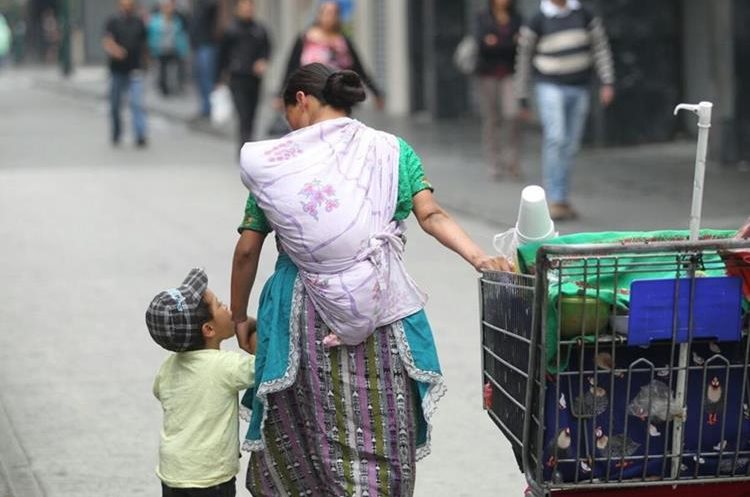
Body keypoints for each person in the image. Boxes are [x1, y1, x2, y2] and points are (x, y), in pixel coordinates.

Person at [230, 63, 511, 496]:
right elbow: (431, 214)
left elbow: (248, 249)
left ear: (301, 101)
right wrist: (479, 257)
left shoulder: (277, 167)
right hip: (379, 305)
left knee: (307, 427)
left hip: (299, 316)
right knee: (377, 420)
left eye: (287, 112)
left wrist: (240, 317)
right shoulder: (391, 150)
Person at [146, 268, 256, 497]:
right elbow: (266, 366)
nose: (226, 307)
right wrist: (253, 326)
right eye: (219, 305)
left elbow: (159, 390)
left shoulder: (168, 368)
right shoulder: (224, 366)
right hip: (210, 480)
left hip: (173, 473)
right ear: (208, 329)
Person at [515, 0, 615, 221]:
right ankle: (554, 198)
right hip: (549, 84)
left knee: (570, 144)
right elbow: (523, 57)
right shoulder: (537, 18)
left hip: (579, 85)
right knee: (556, 137)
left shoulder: (584, 14)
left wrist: (607, 81)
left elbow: (600, 47)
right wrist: (522, 95)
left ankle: (562, 197)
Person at [276, 1, 383, 110]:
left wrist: (376, 92)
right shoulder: (305, 40)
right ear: (319, 14)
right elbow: (291, 67)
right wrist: (280, 94)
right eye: (326, 13)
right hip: (312, 95)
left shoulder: (343, 42)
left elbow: (359, 69)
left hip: (340, 95)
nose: (329, 17)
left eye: (333, 13)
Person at [475, 0, 524, 180]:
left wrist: (496, 43)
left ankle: (512, 162)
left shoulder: (517, 18)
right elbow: (482, 44)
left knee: (512, 116)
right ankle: (494, 164)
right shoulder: (482, 17)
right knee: (492, 120)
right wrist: (506, 42)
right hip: (488, 74)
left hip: (510, 73)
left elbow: (520, 45)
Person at [216, 0, 270, 153]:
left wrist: (263, 61)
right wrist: (219, 78)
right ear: (238, 9)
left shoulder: (259, 29)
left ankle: (249, 144)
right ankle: (244, 146)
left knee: (252, 113)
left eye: (250, 6)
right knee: (243, 113)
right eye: (244, 6)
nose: (247, 9)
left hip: (254, 78)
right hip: (237, 77)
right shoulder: (231, 30)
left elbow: (267, 48)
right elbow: (222, 56)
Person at [102, 0, 148, 147]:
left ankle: (140, 134)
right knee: (115, 105)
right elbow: (107, 42)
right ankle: (117, 132)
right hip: (117, 70)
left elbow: (144, 43)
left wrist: (146, 64)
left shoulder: (139, 22)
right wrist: (117, 51)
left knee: (136, 103)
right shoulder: (112, 21)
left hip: (135, 69)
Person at [190, 0, 226, 120]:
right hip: (200, 45)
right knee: (201, 78)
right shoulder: (198, 5)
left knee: (207, 78)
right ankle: (205, 107)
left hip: (208, 45)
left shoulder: (211, 4)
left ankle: (209, 108)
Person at [148, 0, 189, 97]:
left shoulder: (176, 20)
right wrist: (152, 49)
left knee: (175, 69)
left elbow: (181, 35)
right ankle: (164, 89)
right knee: (163, 70)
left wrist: (183, 49)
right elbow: (151, 35)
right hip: (161, 49)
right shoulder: (156, 20)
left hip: (174, 48)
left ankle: (176, 87)